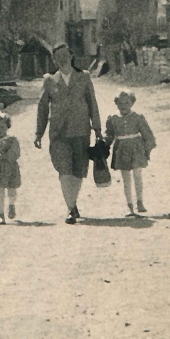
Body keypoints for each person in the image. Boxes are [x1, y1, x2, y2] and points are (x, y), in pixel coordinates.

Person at [34, 42, 102, 225]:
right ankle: (71, 208)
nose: (62, 58)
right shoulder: (49, 80)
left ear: (72, 55)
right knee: (64, 169)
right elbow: (42, 108)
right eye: (58, 56)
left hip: (81, 130)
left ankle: (73, 202)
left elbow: (92, 103)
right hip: (58, 133)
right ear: (54, 59)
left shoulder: (84, 77)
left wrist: (97, 128)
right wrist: (38, 133)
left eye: (65, 54)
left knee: (78, 170)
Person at [105, 90, 157, 216]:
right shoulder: (113, 118)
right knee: (126, 178)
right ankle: (129, 206)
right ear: (116, 104)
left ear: (132, 103)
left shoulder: (138, 117)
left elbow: (148, 135)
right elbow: (109, 135)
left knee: (137, 175)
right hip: (121, 149)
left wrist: (146, 150)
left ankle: (140, 201)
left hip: (136, 148)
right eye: (120, 103)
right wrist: (103, 144)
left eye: (127, 103)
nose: (123, 106)